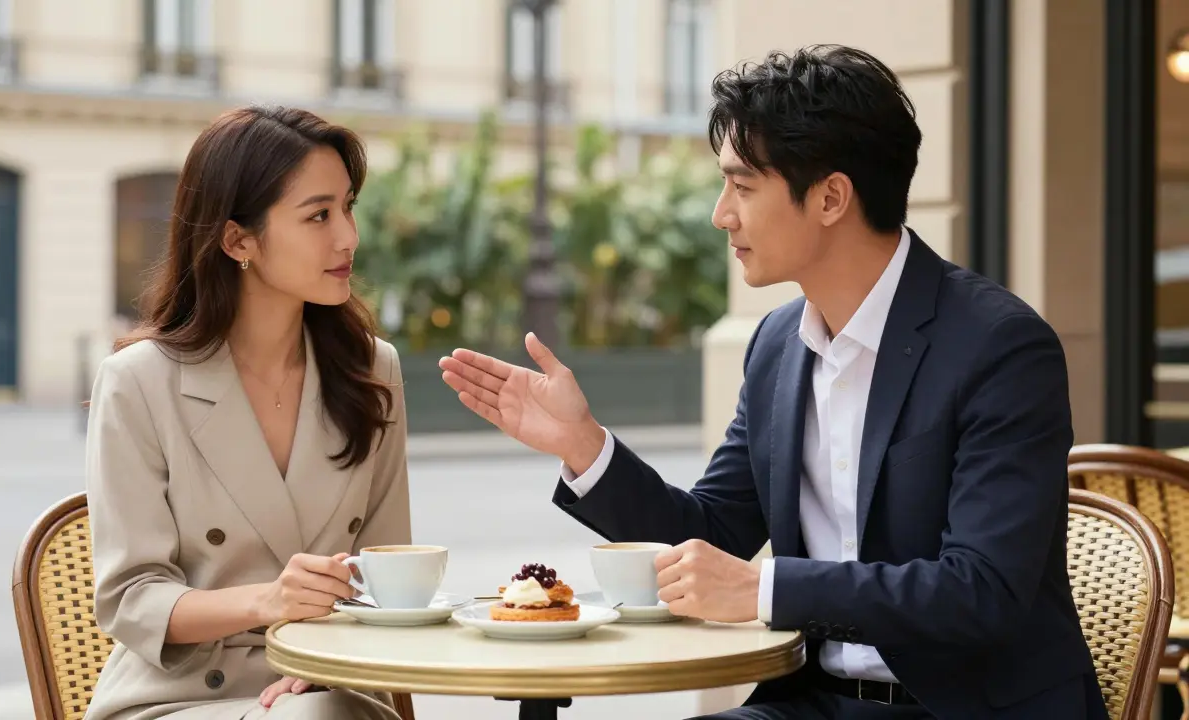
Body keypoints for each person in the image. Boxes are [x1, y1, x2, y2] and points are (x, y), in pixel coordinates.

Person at [438, 46, 1106, 719]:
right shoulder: (777, 346)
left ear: (831, 197)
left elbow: (982, 591)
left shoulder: (999, 346)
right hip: (812, 703)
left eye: (743, 187)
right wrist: (583, 446)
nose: (721, 214)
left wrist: (767, 590)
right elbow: (711, 533)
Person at [84, 106, 408, 720]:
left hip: (328, 685)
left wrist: (327, 663)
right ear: (238, 240)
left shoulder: (372, 370)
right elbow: (131, 599)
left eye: (348, 207)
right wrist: (267, 602)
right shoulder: (138, 381)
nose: (348, 237)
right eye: (318, 215)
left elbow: (389, 575)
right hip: (175, 697)